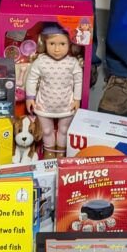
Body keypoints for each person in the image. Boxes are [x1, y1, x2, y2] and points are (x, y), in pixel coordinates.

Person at [24, 24, 83, 157]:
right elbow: (32, 79)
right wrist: (30, 98)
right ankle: (49, 152)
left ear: (70, 44)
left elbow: (78, 81)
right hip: (44, 106)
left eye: (62, 43)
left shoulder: (72, 62)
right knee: (46, 130)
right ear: (44, 42)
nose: (57, 49)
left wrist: (77, 99)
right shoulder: (40, 61)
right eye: (52, 43)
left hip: (66, 106)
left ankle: (61, 152)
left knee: (64, 129)